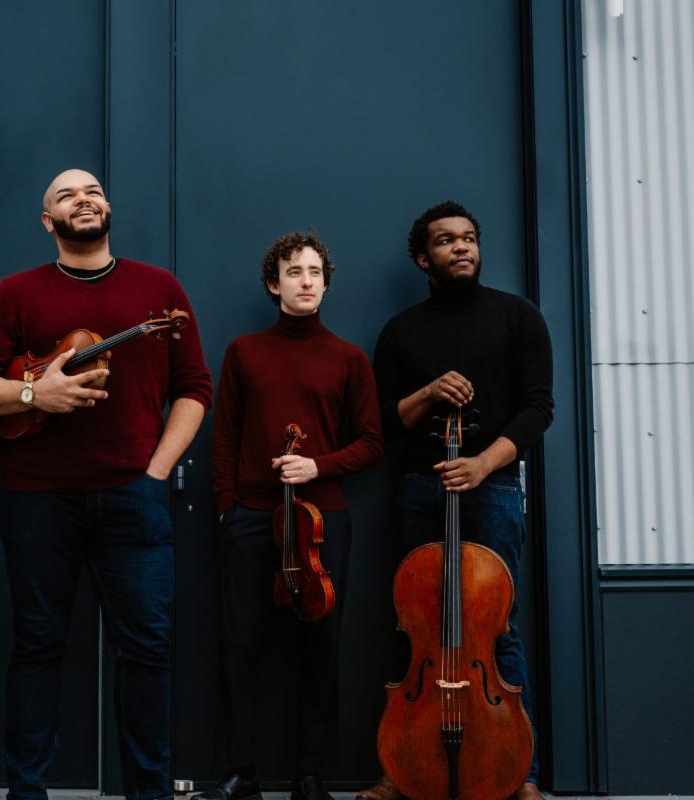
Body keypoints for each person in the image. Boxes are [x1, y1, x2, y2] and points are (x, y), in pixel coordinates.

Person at [0, 169, 212, 800]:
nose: (82, 199)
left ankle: (149, 793)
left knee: (146, 650)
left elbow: (194, 389)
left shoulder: (159, 289)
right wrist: (34, 393)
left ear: (107, 207)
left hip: (134, 496)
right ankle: (26, 793)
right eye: (66, 195)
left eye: (91, 191)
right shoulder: (16, 293)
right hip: (36, 499)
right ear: (49, 222)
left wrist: (155, 472)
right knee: (37, 645)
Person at [361, 201, 552, 800]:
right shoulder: (401, 331)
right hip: (421, 490)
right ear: (424, 258)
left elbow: (538, 410)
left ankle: (518, 775)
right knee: (412, 625)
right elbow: (384, 420)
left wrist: (482, 464)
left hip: (493, 488)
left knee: (497, 628)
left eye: (469, 238)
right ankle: (400, 770)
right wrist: (427, 391)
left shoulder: (519, 317)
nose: (461, 247)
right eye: (445, 241)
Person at [205, 232, 383, 800]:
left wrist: (317, 466)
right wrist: (227, 508)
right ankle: (242, 773)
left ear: (326, 284)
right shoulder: (243, 352)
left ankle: (311, 776)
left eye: (314, 272)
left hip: (322, 522)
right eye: (293, 271)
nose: (306, 281)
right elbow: (225, 435)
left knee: (319, 646)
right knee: (241, 646)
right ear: (272, 283)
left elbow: (372, 442)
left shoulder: (349, 358)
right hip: (251, 518)